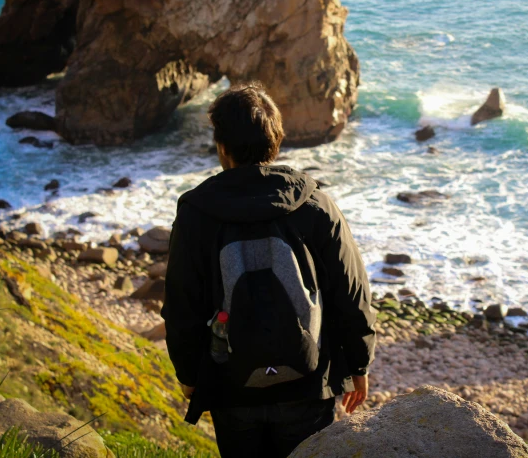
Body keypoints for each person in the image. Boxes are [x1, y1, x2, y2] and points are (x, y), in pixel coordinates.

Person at [161, 82, 376, 458]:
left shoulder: (196, 211)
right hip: (308, 384)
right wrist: (359, 361)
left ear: (222, 146)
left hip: (231, 386)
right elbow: (351, 288)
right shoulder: (314, 203)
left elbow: (182, 302)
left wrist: (189, 375)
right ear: (276, 140)